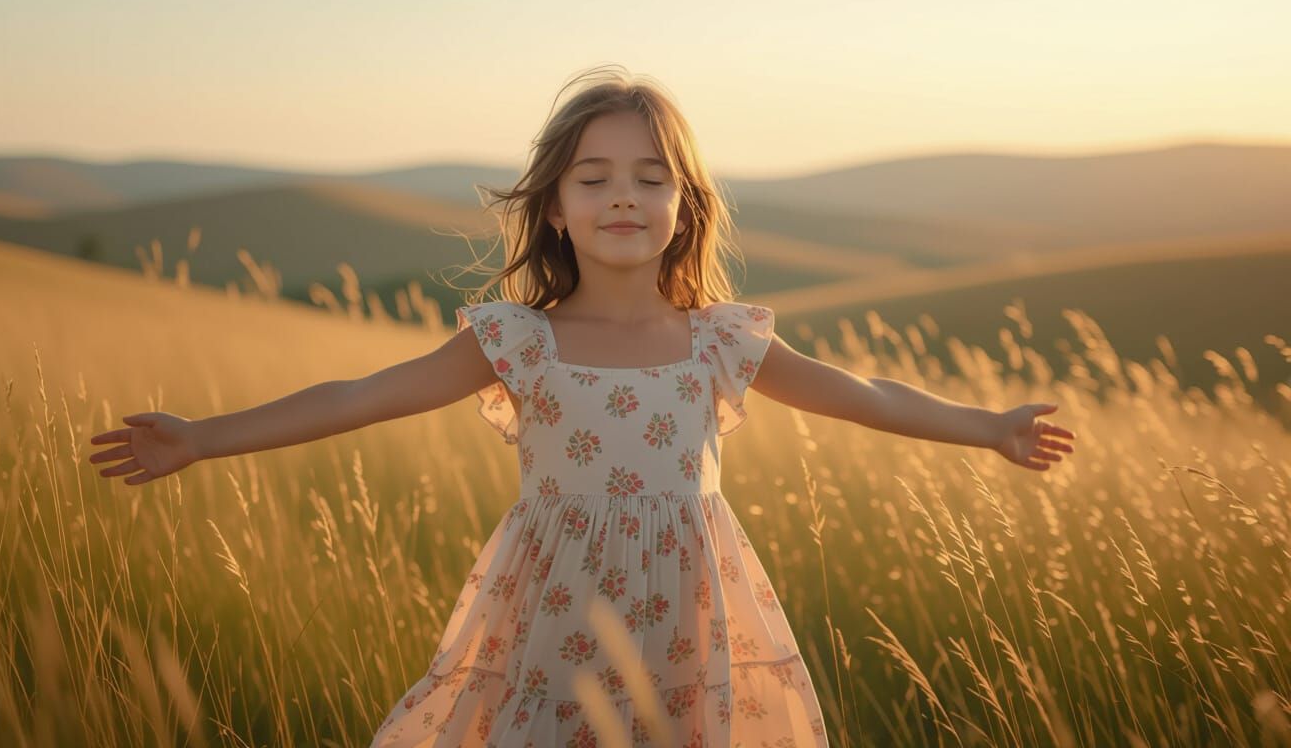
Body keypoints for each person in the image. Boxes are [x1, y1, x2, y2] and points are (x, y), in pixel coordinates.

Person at [87, 65, 1076, 747]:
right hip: (558, 609)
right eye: (593, 177)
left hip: (693, 612)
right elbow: (366, 394)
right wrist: (203, 439)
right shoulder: (519, 340)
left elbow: (856, 392)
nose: (623, 198)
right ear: (553, 206)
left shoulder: (719, 339)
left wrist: (985, 427)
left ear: (684, 204)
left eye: (652, 178)